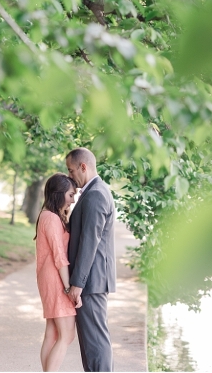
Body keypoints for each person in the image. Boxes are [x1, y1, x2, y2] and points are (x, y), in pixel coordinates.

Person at [66, 147, 116, 372]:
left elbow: (89, 241)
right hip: (92, 280)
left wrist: (77, 283)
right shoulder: (94, 191)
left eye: (71, 170)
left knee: (95, 342)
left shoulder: (96, 194)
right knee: (90, 343)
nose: (69, 176)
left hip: (91, 281)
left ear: (83, 167)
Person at [35, 172, 81, 372]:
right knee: (66, 335)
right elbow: (59, 256)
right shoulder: (51, 218)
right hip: (56, 280)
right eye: (70, 195)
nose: (73, 200)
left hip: (50, 278)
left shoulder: (48, 216)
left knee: (52, 334)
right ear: (58, 193)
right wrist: (69, 288)